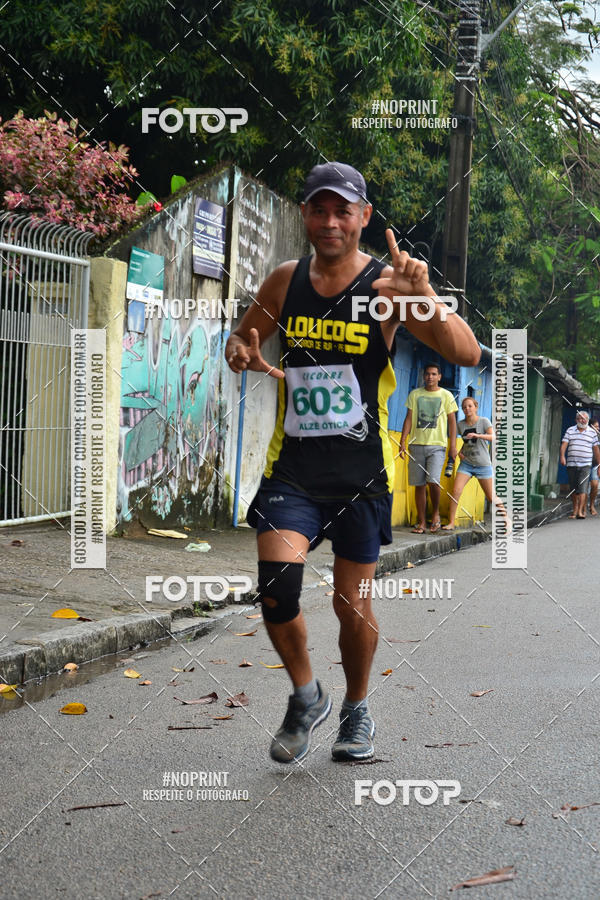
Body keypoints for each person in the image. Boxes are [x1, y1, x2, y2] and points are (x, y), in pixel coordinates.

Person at [225, 161, 481, 765]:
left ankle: (357, 707)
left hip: (361, 475)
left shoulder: (386, 288)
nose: (331, 221)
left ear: (364, 217)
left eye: (345, 210)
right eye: (320, 208)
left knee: (351, 603)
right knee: (277, 586)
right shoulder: (285, 282)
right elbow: (247, 335)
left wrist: (423, 297)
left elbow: (466, 350)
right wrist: (241, 349)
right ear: (306, 214)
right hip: (296, 470)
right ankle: (306, 693)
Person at [399, 363, 457, 534]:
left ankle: (436, 514)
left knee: (433, 481)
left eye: (433, 374)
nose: (430, 377)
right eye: (427, 374)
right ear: (423, 376)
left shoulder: (446, 395)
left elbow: (452, 422)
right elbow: (408, 418)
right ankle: (422, 522)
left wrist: (452, 445)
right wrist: (403, 441)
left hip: (437, 445)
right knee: (419, 484)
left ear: (439, 376)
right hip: (416, 444)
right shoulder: (415, 394)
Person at [441, 396, 507, 530]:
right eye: (464, 407)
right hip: (467, 464)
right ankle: (451, 522)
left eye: (470, 406)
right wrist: (459, 452)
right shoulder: (460, 425)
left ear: (475, 407)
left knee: (491, 496)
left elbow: (493, 437)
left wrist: (478, 435)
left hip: (483, 465)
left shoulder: (483, 421)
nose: (467, 409)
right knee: (456, 491)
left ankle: (507, 520)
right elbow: (467, 442)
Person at [560, 410, 600, 519]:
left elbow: (596, 449)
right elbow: (564, 444)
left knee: (583, 487)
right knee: (573, 488)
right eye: (580, 418)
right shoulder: (570, 430)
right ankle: (575, 509)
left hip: (586, 465)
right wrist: (562, 456)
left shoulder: (592, 433)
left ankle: (581, 512)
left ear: (587, 420)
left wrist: (599, 464)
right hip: (572, 464)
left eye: (584, 419)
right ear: (576, 420)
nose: (582, 420)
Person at [589, 419, 600, 515]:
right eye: (596, 426)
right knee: (581, 488)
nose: (598, 428)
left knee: (595, 485)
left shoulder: (598, 437)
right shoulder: (586, 435)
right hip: (584, 464)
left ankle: (591, 505)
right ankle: (580, 508)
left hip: (595, 465)